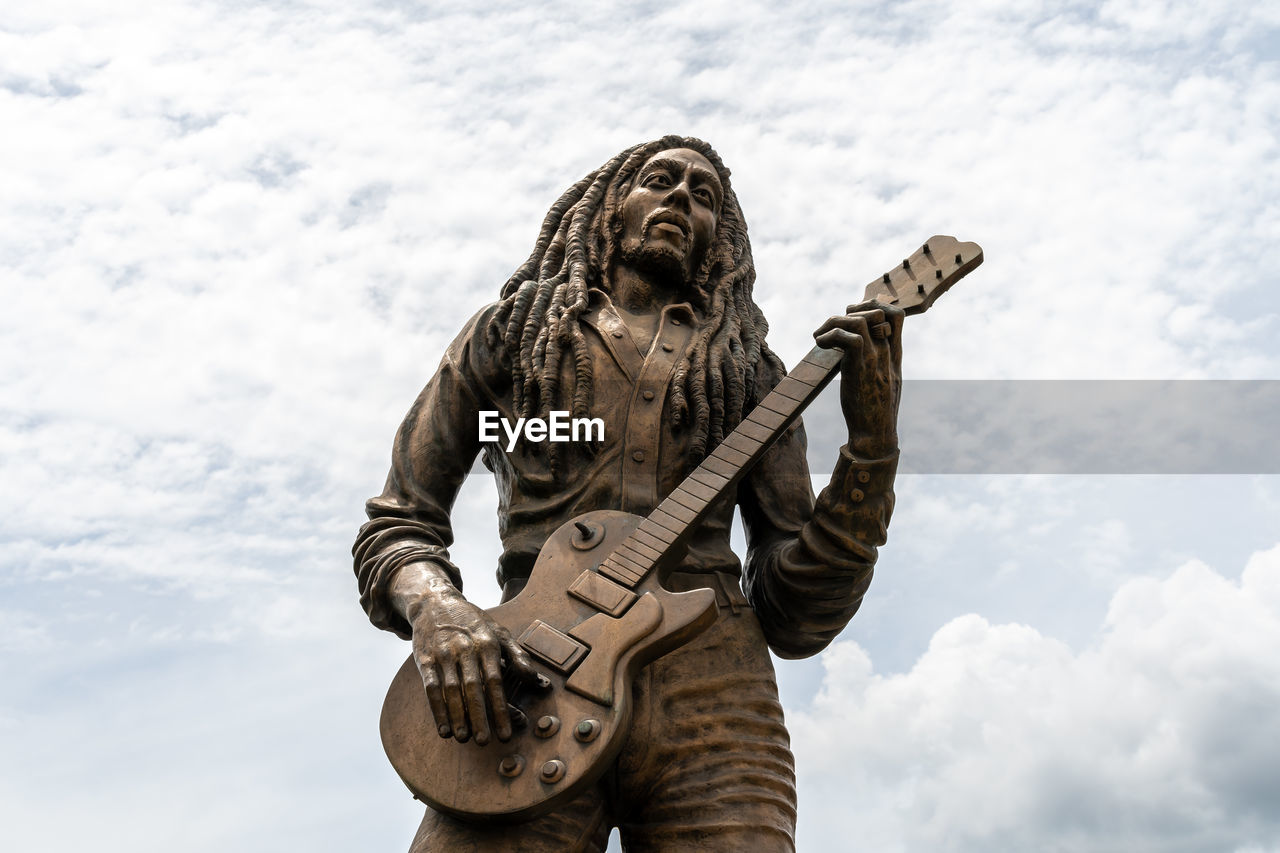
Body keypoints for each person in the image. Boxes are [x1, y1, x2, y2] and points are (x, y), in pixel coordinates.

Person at [353, 135, 903, 852]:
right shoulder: (512, 337)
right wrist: (438, 609)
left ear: (721, 241)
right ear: (610, 209)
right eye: (660, 180)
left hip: (714, 700)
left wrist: (871, 448)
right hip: (527, 681)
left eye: (704, 195)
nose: (681, 196)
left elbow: (796, 613)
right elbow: (400, 521)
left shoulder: (749, 375)